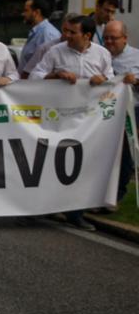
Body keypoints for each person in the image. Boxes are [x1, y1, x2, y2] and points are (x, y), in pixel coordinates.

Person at [32, 15, 114, 231]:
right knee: (52, 163)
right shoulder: (56, 52)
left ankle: (75, 213)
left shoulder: (102, 54)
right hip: (57, 119)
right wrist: (54, 75)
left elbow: (112, 83)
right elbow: (33, 77)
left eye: (71, 32)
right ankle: (43, 209)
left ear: (87, 35)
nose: (65, 35)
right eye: (65, 31)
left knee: (83, 167)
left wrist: (103, 80)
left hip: (89, 122)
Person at [102, 20, 138, 205]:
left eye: (113, 38)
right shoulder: (99, 54)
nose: (109, 41)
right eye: (105, 37)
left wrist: (136, 81)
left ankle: (118, 193)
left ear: (125, 38)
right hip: (102, 112)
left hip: (128, 112)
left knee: (123, 153)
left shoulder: (137, 57)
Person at [19, 0, 59, 78]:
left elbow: (49, 66)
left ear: (36, 12)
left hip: (38, 86)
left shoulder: (48, 34)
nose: (23, 14)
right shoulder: (37, 32)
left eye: (26, 10)